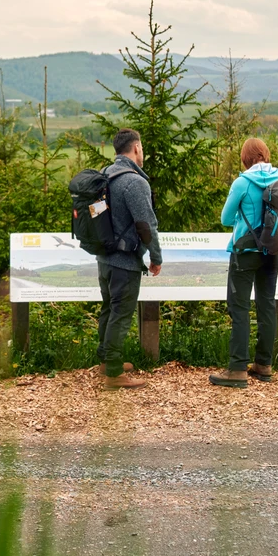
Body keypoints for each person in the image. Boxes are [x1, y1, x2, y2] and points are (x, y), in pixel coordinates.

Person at [209, 137, 278, 388]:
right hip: (272, 250)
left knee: (239, 308)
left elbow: (225, 218)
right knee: (267, 306)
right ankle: (264, 365)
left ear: (245, 158)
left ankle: (238, 369)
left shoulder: (242, 182)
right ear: (265, 154)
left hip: (245, 250)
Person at [95, 128, 162, 390]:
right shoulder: (135, 182)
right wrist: (155, 257)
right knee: (121, 315)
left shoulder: (105, 175)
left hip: (104, 257)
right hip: (125, 261)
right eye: (141, 147)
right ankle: (113, 373)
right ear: (136, 148)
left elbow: (97, 213)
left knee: (109, 309)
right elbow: (147, 225)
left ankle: (106, 360)